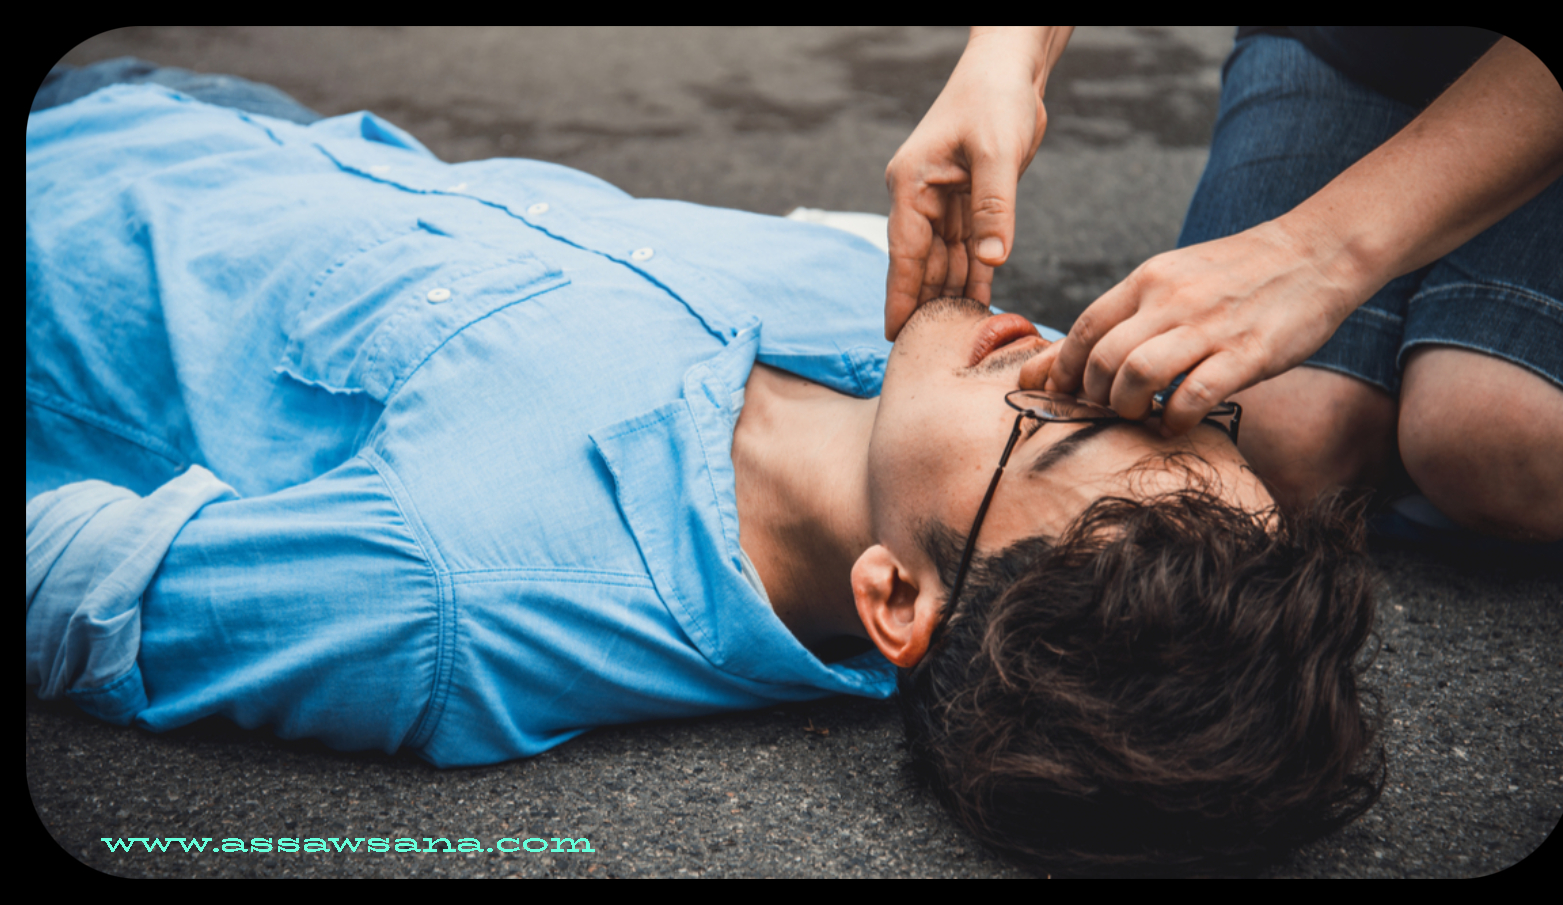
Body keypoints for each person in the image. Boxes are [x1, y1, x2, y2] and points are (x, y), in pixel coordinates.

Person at [28, 61, 1381, 875]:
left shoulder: (449, 597)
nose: (1079, 357)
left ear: (897, 599)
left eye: (1066, 427)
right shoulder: (897, 313)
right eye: (1181, 411)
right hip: (216, 113)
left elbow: (73, 580)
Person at [885, 27, 1563, 546]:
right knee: (1280, 437)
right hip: (1352, 47)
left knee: (1499, 439)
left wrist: (1312, 257)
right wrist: (1004, 59)